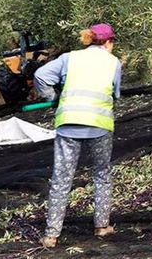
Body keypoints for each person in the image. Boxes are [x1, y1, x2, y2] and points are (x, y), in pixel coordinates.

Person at [33, 23, 122, 248]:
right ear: (109, 42)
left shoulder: (69, 58)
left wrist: (53, 97)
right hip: (99, 125)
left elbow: (40, 76)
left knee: (62, 177)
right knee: (101, 174)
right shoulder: (114, 63)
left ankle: (51, 235)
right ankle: (102, 226)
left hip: (68, 124)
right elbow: (115, 93)